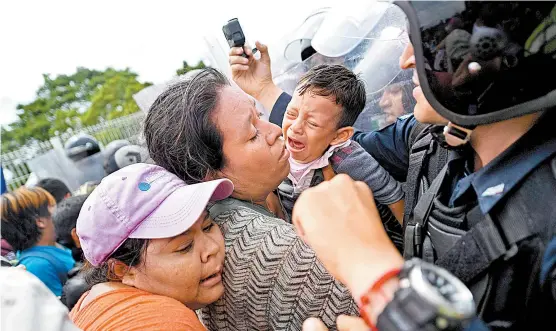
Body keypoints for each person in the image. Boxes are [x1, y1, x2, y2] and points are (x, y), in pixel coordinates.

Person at [283, 1, 556, 330]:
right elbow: (329, 140)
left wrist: (378, 278)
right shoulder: (427, 136)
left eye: (426, 41)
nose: (405, 59)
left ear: (495, 54)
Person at [144, 68, 359, 330]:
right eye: (253, 133)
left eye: (260, 116)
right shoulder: (273, 249)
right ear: (209, 174)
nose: (276, 131)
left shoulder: (265, 193)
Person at [69, 163, 234, 330]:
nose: (211, 248)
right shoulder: (166, 323)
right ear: (122, 270)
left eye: (207, 227)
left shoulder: (87, 307)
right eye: (185, 247)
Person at [278, 64, 404, 222]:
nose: (295, 127)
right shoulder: (275, 150)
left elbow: (393, 195)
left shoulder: (347, 158)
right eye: (291, 113)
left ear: (339, 136)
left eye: (312, 124)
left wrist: (411, 242)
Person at [1, 187, 75, 296]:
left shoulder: (56, 244)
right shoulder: (37, 267)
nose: (59, 209)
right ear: (40, 221)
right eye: (52, 206)